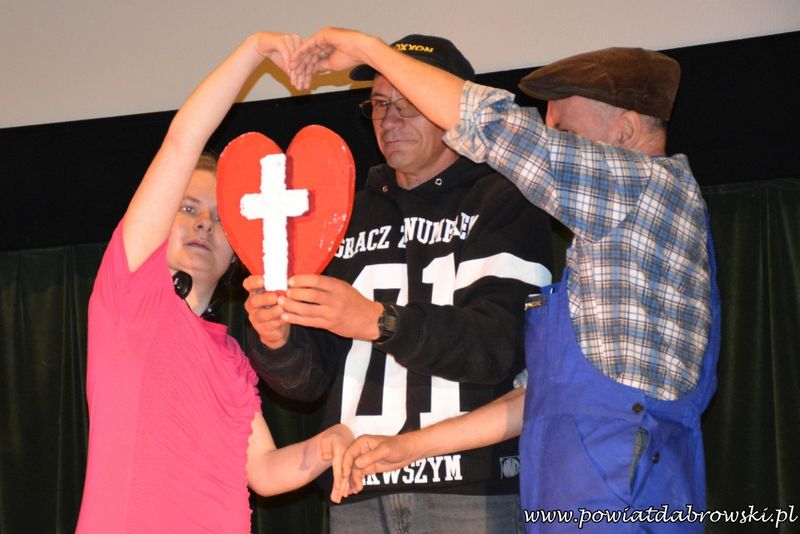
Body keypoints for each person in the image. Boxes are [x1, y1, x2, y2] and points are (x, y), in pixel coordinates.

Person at [291, 30, 721, 533]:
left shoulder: (647, 186)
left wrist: (369, 50)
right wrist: (407, 447)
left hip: (624, 496)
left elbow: (495, 128)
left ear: (625, 131)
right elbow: (532, 399)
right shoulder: (606, 252)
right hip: (567, 496)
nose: (551, 142)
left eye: (563, 134)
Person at [244, 34, 553, 533]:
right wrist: (278, 342)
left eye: (408, 104)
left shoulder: (504, 199)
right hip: (357, 488)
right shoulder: (344, 210)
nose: (389, 120)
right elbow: (307, 383)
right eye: (380, 104)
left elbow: (502, 345)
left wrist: (380, 322)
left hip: (471, 488)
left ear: (447, 105)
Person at [75, 32, 354, 534]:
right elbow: (183, 140)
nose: (204, 224)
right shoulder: (128, 295)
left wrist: (326, 445)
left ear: (236, 252)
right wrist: (253, 51)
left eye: (222, 219)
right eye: (188, 208)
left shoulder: (231, 358)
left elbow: (263, 472)